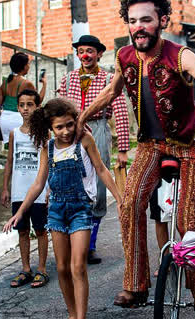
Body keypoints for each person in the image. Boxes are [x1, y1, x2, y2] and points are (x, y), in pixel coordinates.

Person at [76, 0, 195, 316]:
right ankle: (136, 285)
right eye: (133, 21)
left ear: (161, 20)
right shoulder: (124, 57)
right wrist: (82, 118)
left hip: (189, 144)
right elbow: (110, 94)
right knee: (129, 203)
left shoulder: (181, 56)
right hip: (151, 144)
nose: (138, 27)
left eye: (146, 20)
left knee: (186, 223)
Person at [3, 98, 122, 319]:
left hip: (80, 209)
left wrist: (120, 198)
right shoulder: (48, 147)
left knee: (78, 266)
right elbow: (38, 183)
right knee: (61, 269)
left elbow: (101, 170)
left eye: (69, 124)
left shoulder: (84, 141)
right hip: (55, 210)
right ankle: (71, 313)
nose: (66, 131)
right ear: (50, 128)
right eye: (60, 127)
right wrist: (20, 212)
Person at [58, 35, 130, 265]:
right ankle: (72, 243)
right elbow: (57, 107)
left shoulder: (110, 79)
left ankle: (90, 246)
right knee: (71, 185)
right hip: (70, 134)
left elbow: (120, 112)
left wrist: (123, 150)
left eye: (90, 51)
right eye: (81, 51)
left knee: (97, 188)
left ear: (99, 54)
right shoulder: (67, 79)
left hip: (97, 130)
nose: (85, 55)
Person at [1, 89, 50, 288]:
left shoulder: (45, 134)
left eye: (30, 104)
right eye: (22, 105)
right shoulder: (14, 134)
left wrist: (48, 189)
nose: (25, 109)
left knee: (40, 230)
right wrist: (5, 188)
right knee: (22, 231)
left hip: (38, 192)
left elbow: (49, 163)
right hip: (19, 191)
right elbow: (9, 161)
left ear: (37, 107)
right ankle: (26, 268)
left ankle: (43, 269)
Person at [0, 52, 47, 144]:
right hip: (18, 119)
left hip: (4, 119)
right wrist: (44, 84)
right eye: (28, 64)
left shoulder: (5, 82)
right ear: (23, 66)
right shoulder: (26, 83)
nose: (29, 66)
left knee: (10, 147)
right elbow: (38, 101)